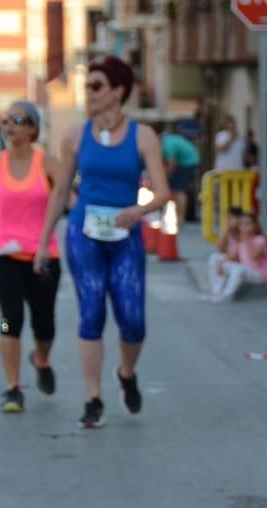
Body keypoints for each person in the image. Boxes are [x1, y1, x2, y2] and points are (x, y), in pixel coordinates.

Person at [33, 56, 169, 429]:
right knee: (91, 314)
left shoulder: (143, 136)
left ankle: (126, 373)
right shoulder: (75, 136)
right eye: (87, 86)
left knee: (133, 321)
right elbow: (60, 191)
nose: (88, 92)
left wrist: (136, 211)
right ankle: (93, 398)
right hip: (84, 234)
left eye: (95, 85)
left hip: (126, 235)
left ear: (117, 92)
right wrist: (43, 242)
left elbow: (163, 193)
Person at [0, 101, 61, 414]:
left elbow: (66, 200)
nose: (10, 125)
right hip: (3, 255)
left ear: (33, 128)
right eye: (5, 120)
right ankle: (12, 388)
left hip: (43, 257)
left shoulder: (49, 165)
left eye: (18, 119)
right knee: (10, 319)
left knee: (44, 325)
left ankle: (41, 358)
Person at [205, 208, 267, 303]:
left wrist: (246, 240)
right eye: (241, 224)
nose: (244, 227)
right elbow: (233, 255)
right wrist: (221, 263)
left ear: (255, 226)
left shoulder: (259, 239)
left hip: (258, 274)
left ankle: (227, 295)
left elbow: (254, 256)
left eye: (247, 224)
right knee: (215, 258)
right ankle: (216, 290)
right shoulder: (239, 239)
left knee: (237, 268)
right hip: (243, 271)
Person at [161, 121, 200, 223]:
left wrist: (165, 176)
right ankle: (177, 216)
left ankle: (180, 217)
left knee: (179, 189)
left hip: (188, 162)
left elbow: (171, 164)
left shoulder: (167, 145)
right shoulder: (167, 141)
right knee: (176, 189)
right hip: (187, 160)